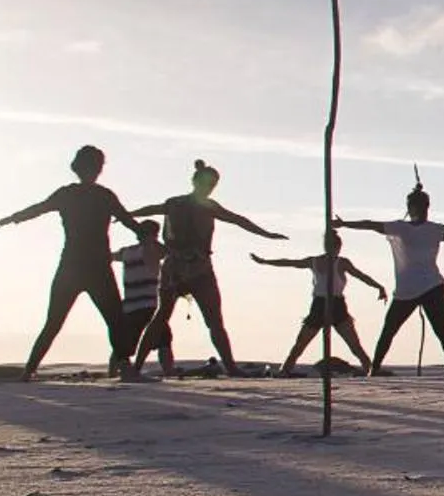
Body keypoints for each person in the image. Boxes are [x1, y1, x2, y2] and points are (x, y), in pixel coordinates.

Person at [336, 178, 444, 375]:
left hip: (433, 287)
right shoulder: (399, 228)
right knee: (389, 330)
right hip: (406, 291)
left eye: (423, 206)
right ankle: (374, 370)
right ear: (411, 207)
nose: (420, 210)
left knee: (441, 329)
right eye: (416, 206)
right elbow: (370, 225)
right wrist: (344, 224)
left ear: (426, 207)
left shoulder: (436, 230)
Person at [127, 160, 285, 379]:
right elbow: (237, 220)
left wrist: (266, 234)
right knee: (175, 318)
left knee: (201, 320)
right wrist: (127, 215)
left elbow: (238, 220)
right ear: (196, 182)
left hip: (187, 267)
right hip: (186, 268)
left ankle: (230, 367)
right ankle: (137, 368)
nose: (209, 188)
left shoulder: (184, 204)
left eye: (212, 184)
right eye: (207, 183)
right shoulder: (186, 204)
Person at [0, 145, 142, 380]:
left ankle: (29, 371)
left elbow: (39, 208)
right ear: (95, 168)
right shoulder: (103, 196)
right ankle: (124, 367)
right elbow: (128, 221)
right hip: (94, 267)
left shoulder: (69, 194)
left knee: (57, 322)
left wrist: (14, 218)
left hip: (73, 265)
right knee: (114, 319)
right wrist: (147, 236)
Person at [252, 231, 388, 376]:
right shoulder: (314, 261)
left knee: (354, 345)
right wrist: (265, 261)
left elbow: (361, 276)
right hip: (319, 305)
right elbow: (291, 262)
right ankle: (285, 370)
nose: (334, 250)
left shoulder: (342, 263)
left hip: (337, 306)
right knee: (301, 343)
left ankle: (371, 369)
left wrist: (378, 287)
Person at [113, 219, 172, 376]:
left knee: (126, 341)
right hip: (148, 303)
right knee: (162, 338)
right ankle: (168, 370)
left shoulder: (128, 251)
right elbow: (168, 251)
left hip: (131, 304)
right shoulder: (153, 250)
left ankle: (113, 371)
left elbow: (112, 256)